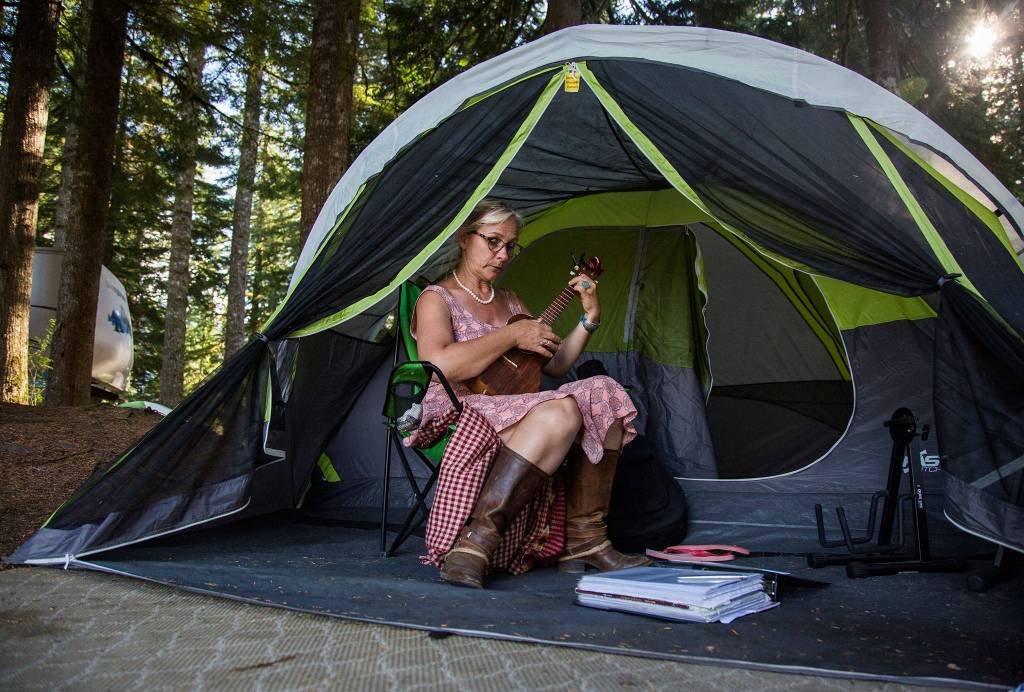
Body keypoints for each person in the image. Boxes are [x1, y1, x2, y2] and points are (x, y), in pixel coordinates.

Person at [410, 199, 650, 588]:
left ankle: (587, 539)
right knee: (561, 413)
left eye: (510, 245)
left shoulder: (511, 301)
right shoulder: (437, 298)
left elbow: (554, 366)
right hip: (460, 407)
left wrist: (590, 317)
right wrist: (511, 334)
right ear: (463, 238)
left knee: (605, 391)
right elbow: (442, 365)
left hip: (515, 407)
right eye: (492, 241)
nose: (502, 254)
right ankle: (474, 543)